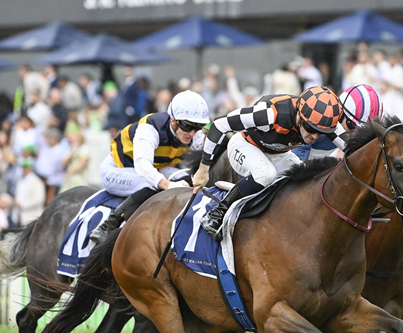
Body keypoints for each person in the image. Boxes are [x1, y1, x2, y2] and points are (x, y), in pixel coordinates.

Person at [195, 86, 344, 241]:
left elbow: (355, 149)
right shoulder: (270, 114)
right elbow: (219, 124)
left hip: (278, 153)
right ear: (299, 115)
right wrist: (203, 169)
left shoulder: (325, 121)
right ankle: (217, 213)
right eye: (310, 128)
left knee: (308, 180)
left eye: (321, 133)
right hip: (245, 145)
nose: (314, 136)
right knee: (265, 174)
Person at [88, 90, 210, 244]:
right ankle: (108, 225)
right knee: (152, 184)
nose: (192, 133)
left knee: (185, 178)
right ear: (173, 120)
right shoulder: (150, 129)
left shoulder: (193, 134)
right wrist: (167, 184)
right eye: (187, 127)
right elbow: (143, 167)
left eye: (197, 127)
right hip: (118, 169)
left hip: (156, 167)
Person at [292, 84, 384, 161]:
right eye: (351, 125)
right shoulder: (319, 119)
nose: (354, 134)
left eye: (361, 132)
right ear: (340, 113)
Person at [15, 156, 46, 225]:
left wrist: (23, 204)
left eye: (26, 167)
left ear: (31, 168)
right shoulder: (20, 181)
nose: (24, 169)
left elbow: (39, 199)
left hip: (31, 216)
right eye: (23, 167)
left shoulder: (37, 182)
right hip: (19, 215)